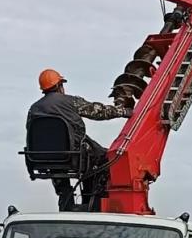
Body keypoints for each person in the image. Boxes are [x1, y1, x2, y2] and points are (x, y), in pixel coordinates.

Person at [26, 68, 129, 209]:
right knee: (106, 158)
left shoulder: (34, 109)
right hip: (74, 153)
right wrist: (123, 111)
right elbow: (99, 112)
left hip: (42, 158)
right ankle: (93, 198)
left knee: (58, 165)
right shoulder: (70, 102)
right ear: (59, 86)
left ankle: (65, 196)